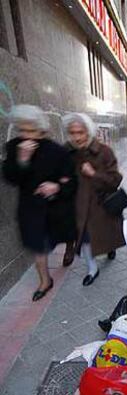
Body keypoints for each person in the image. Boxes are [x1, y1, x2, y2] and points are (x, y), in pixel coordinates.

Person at [2, 105, 77, 301]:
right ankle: (45, 280)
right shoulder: (13, 148)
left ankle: (70, 247)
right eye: (22, 130)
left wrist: (56, 187)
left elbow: (71, 180)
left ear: (42, 130)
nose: (26, 136)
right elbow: (11, 178)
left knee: (67, 233)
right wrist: (23, 160)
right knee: (39, 247)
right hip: (31, 209)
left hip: (57, 208)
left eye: (31, 130)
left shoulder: (57, 151)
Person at [62, 113, 125, 286]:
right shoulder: (67, 152)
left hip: (101, 204)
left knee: (106, 234)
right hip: (79, 206)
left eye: (80, 132)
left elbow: (115, 180)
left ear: (88, 132)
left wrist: (94, 174)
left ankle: (110, 248)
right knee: (85, 238)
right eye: (72, 133)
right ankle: (92, 269)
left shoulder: (104, 152)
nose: (76, 137)